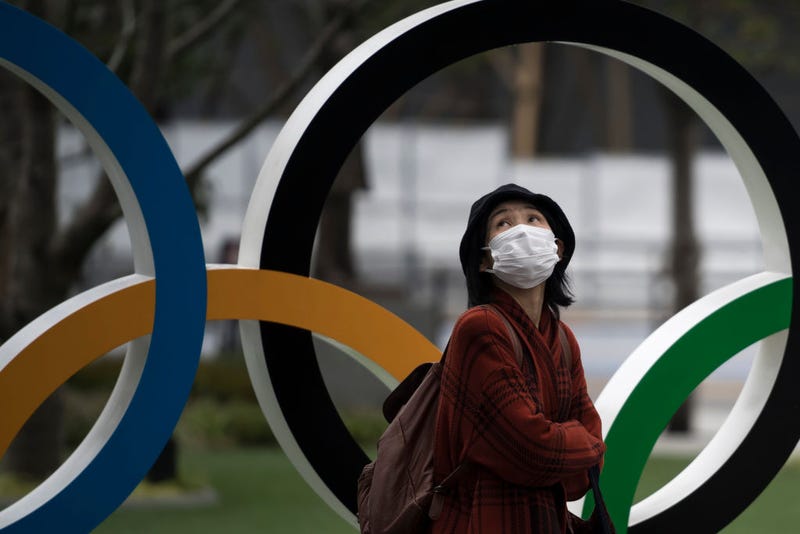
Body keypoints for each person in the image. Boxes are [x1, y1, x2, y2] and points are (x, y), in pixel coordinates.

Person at [431, 183, 606, 534]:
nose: (522, 229)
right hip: (482, 522)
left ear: (557, 248)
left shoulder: (563, 338)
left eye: (533, 218)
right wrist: (576, 444)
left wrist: (565, 446)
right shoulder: (479, 327)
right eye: (503, 224)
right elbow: (530, 448)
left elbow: (586, 469)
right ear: (484, 259)